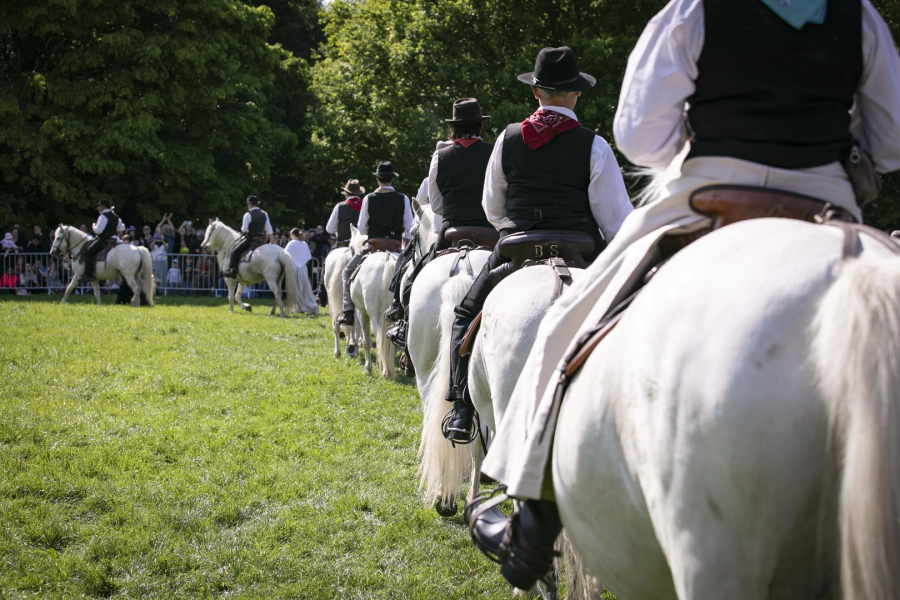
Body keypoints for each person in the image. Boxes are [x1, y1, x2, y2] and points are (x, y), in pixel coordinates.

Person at [473, 2, 900, 591]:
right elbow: (893, 140)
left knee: (564, 322)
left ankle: (532, 528)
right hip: (828, 199)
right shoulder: (860, 16)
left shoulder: (695, 10)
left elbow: (642, 136)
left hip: (706, 193)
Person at [444, 47, 633, 447]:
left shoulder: (507, 139)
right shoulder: (594, 146)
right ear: (576, 94)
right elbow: (616, 222)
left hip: (517, 250)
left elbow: (492, 207)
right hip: (581, 251)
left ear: (536, 93)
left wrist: (518, 230)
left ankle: (461, 408)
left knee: (465, 313)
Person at [385, 97, 495, 340]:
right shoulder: (495, 151)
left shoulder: (440, 156)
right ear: (480, 126)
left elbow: (435, 205)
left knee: (414, 276)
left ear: (453, 128)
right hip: (491, 233)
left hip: (451, 232)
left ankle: (403, 322)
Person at [338, 161, 414, 326]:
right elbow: (409, 229)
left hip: (373, 245)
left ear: (377, 179)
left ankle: (348, 312)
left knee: (346, 272)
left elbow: (362, 228)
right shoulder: (403, 199)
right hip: (395, 246)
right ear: (392, 179)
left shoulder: (369, 198)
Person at [222, 195, 274, 278]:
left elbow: (244, 230)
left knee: (235, 252)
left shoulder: (248, 215)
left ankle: (233, 271)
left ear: (250, 204)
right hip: (262, 240)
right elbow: (269, 229)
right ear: (256, 204)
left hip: (251, 239)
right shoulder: (264, 214)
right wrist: (272, 241)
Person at [82, 199, 121, 283]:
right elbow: (122, 228)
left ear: (103, 207)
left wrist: (94, 226)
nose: (98, 208)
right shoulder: (115, 216)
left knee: (88, 252)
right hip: (114, 239)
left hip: (104, 239)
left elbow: (98, 231)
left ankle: (88, 275)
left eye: (99, 206)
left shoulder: (103, 216)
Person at [326, 179, 366, 248]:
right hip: (361, 245)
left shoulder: (339, 206)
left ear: (346, 194)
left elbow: (330, 229)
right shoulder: (365, 206)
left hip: (343, 245)